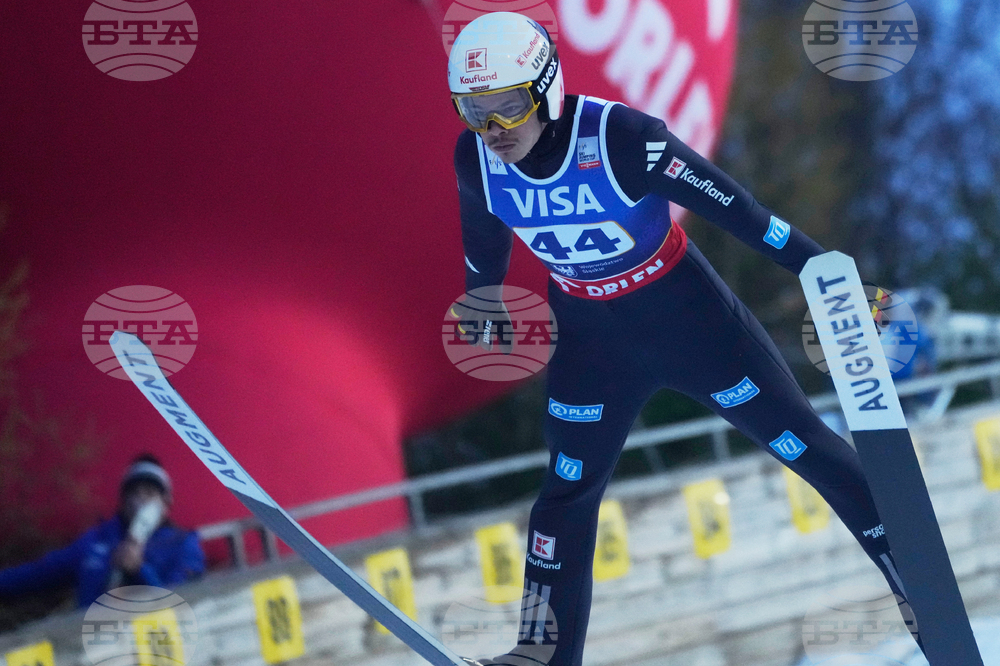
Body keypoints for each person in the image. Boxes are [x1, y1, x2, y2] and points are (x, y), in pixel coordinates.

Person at [446, 12, 923, 666]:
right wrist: (484, 292)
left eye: (507, 108)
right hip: (592, 345)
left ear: (546, 89)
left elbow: (737, 209)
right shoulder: (474, 156)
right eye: (475, 111)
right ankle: (540, 652)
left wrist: (816, 268)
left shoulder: (623, 139)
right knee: (565, 493)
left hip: (687, 319)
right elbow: (484, 233)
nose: (494, 131)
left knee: (805, 447)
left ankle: (915, 585)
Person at [0, 454, 205, 608]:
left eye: (150, 493)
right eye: (134, 493)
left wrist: (140, 570)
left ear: (166, 504)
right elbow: (38, 573)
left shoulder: (182, 545)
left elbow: (183, 606)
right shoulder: (96, 541)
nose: (141, 500)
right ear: (123, 501)